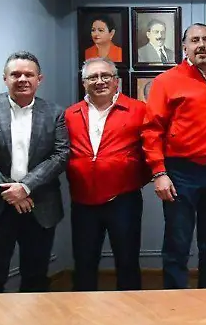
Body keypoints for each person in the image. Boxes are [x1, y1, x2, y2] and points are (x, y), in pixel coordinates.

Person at [143, 23, 206, 289]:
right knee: (178, 242)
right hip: (180, 172)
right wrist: (159, 172)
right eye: (195, 40)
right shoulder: (167, 82)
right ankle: (176, 302)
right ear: (184, 46)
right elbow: (152, 130)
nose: (201, 45)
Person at [0, 51, 69, 293]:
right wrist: (10, 189)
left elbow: (60, 155)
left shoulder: (55, 113)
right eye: (16, 74)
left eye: (29, 74)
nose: (23, 79)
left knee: (36, 278)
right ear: (5, 78)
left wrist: (25, 187)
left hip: (39, 205)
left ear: (39, 79)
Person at [63, 57, 149, 291]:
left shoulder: (138, 110)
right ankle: (82, 316)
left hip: (124, 200)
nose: (99, 81)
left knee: (127, 261)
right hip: (82, 200)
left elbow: (151, 148)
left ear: (116, 82)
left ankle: (130, 317)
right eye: (92, 77)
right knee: (84, 262)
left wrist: (132, 175)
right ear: (84, 83)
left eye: (105, 76)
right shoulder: (70, 115)